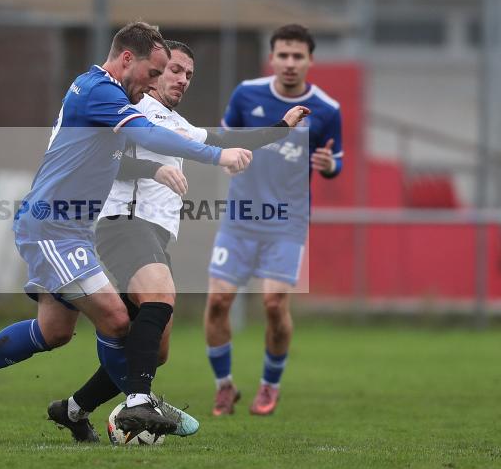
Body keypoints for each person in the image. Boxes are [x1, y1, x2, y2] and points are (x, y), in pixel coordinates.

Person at [0, 22, 253, 436]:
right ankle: (141, 402)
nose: (154, 83)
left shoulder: (102, 93)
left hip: (71, 230)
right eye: (153, 73)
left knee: (54, 332)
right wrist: (215, 155)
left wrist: (155, 168)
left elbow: (117, 155)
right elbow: (148, 132)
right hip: (51, 227)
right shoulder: (100, 91)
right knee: (118, 318)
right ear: (126, 60)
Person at [46, 39, 310, 442]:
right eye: (174, 70)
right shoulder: (131, 110)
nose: (182, 79)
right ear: (154, 72)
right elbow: (104, 161)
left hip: (153, 234)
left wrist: (282, 127)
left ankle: (73, 409)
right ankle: (138, 402)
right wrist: (152, 169)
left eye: (189, 74)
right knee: (159, 299)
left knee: (154, 350)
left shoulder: (176, 122)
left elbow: (220, 140)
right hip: (124, 223)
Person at [204, 23, 343, 417]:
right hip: (240, 216)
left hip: (287, 220)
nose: (290, 62)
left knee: (273, 303)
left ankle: (270, 384)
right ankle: (224, 388)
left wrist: (330, 165)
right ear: (272, 57)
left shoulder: (328, 110)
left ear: (310, 61)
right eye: (283, 54)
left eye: (298, 55)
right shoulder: (247, 94)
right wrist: (228, 158)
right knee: (218, 301)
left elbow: (338, 161)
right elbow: (225, 140)